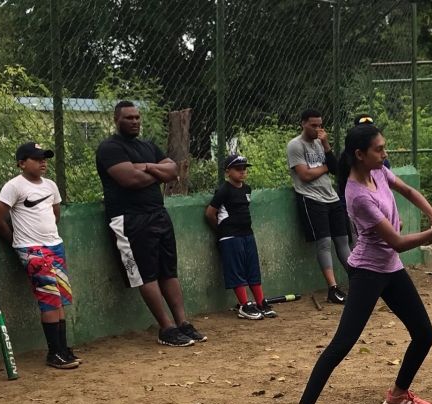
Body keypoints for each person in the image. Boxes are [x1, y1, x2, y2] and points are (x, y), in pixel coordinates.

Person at [283, 122, 432, 404]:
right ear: (359, 155)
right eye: (379, 149)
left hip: (391, 269)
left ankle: (397, 394)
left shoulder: (379, 172)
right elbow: (395, 242)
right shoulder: (356, 194)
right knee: (342, 344)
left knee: (424, 333)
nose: (385, 153)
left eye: (384, 147)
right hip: (367, 272)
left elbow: (408, 192)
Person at [95, 101, 205, 347]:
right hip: (129, 219)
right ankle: (166, 328)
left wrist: (146, 166)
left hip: (158, 214)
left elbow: (174, 171)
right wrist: (158, 172)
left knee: (168, 270)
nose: (134, 121)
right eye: (128, 118)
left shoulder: (147, 146)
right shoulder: (110, 148)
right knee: (145, 273)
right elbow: (130, 180)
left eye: (137, 117)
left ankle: (182, 323)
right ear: (117, 120)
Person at [0, 141, 80, 369]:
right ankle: (54, 353)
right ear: (21, 163)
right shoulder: (14, 186)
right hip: (32, 249)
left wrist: (48, 237)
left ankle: (63, 348)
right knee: (48, 299)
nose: (43, 162)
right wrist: (18, 243)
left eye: (45, 158)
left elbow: (55, 213)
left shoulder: (50, 185)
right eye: (37, 158)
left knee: (60, 297)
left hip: (54, 245)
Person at [287, 107, 351, 305]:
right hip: (311, 198)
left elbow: (335, 168)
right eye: (313, 125)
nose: (317, 129)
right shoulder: (295, 145)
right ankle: (332, 288)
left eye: (320, 125)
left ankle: (357, 278)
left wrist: (326, 144)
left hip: (331, 197)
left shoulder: (319, 142)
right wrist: (324, 168)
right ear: (303, 123)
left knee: (343, 240)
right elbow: (304, 175)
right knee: (324, 243)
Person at [205, 153, 277, 320]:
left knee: (252, 268)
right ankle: (244, 305)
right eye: (238, 169)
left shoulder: (247, 189)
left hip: (247, 234)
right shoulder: (224, 190)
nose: (242, 172)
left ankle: (260, 302)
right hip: (231, 237)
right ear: (228, 171)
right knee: (236, 270)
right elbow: (210, 213)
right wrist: (222, 230)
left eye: (244, 168)